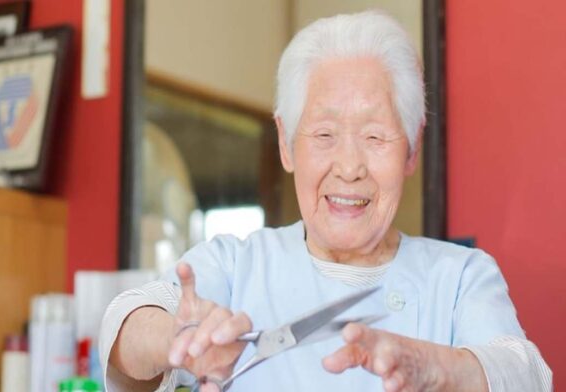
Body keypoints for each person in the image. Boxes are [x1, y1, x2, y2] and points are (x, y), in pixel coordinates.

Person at [101, 11, 552, 392]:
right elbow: (124, 326)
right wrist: (174, 337)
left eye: (375, 136)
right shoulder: (235, 265)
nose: (349, 166)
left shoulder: (461, 277)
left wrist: (434, 367)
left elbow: (526, 373)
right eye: (325, 135)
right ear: (286, 143)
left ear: (412, 148)